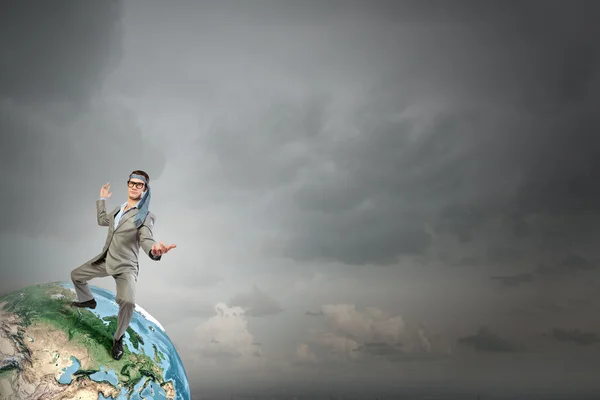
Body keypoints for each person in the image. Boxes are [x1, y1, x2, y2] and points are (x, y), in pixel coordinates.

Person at [69, 170, 176, 360]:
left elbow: (146, 238)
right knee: (76, 275)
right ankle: (88, 300)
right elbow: (103, 220)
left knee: (127, 302)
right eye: (132, 183)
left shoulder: (145, 216)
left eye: (139, 185)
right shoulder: (119, 210)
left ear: (144, 189)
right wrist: (101, 199)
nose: (134, 187)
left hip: (126, 266)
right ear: (128, 185)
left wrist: (154, 250)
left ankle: (118, 338)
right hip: (106, 259)